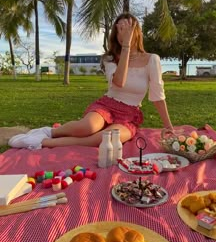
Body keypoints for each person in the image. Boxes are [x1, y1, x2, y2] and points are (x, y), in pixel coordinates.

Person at [9, 13, 173, 150]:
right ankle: (49, 131)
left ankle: (43, 142)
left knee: (105, 138)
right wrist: (126, 49)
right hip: (108, 104)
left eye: (126, 28)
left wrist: (168, 127)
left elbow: (158, 95)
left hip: (129, 115)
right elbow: (119, 82)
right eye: (119, 29)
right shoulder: (110, 58)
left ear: (136, 31)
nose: (122, 33)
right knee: (87, 127)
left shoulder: (152, 59)